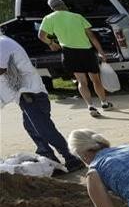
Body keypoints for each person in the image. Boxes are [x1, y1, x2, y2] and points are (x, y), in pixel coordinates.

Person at [0, 34, 85, 173]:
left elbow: (1, 68)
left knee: (43, 129)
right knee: (32, 127)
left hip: (31, 93)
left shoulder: (2, 43)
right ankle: (50, 160)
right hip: (25, 94)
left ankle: (71, 158)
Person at [38, 0, 109, 116]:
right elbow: (91, 36)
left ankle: (90, 106)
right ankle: (104, 103)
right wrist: (101, 51)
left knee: (81, 81)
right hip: (86, 51)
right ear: (64, 5)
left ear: (52, 8)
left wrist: (51, 43)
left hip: (69, 51)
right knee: (95, 79)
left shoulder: (49, 18)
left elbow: (41, 35)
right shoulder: (77, 16)